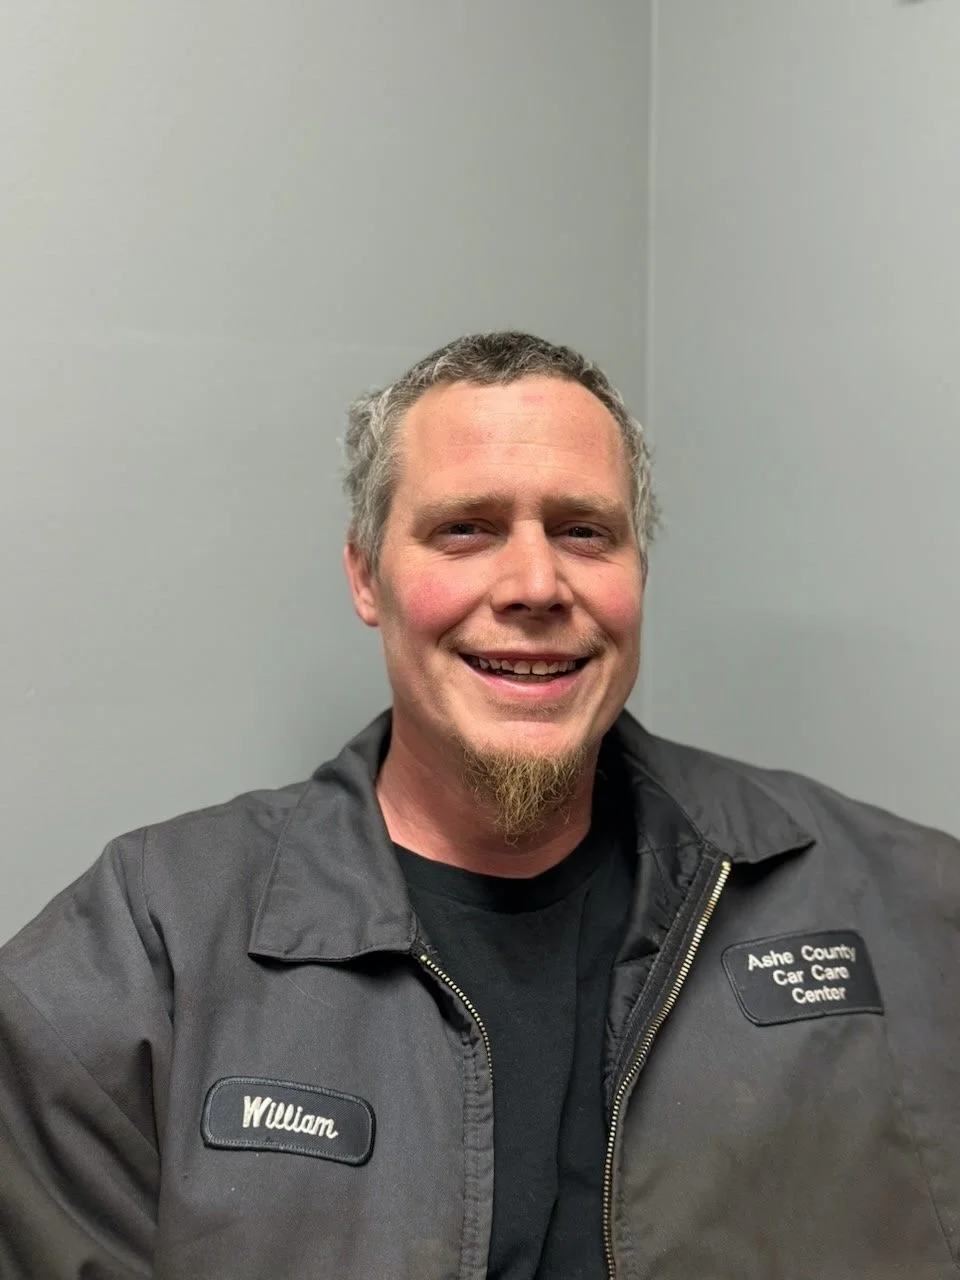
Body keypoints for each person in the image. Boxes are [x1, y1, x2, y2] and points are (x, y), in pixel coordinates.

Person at [0, 331, 957, 1280]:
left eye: (585, 531)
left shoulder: (906, 905)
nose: (536, 585)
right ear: (368, 575)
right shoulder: (141, 951)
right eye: (466, 529)